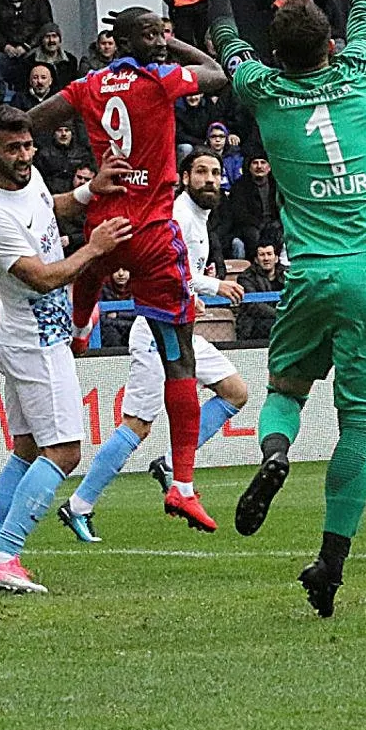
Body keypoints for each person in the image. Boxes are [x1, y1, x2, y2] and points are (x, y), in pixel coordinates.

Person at [0, 0, 230, 530]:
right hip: (151, 231)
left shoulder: (86, 88)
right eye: (150, 34)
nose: (158, 40)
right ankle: (182, 483)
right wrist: (170, 40)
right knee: (179, 361)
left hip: (102, 220)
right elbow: (219, 75)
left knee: (84, 280)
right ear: (133, 42)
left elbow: (23, 125)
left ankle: (80, 329)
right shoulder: (161, 80)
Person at [199, 0, 366, 620]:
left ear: (278, 54)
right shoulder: (365, 69)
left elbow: (226, 40)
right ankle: (330, 563)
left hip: (309, 271)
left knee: (284, 389)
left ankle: (275, 454)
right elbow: (364, 1)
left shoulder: (265, 91)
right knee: (357, 426)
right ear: (333, 46)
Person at [0, 106, 133, 594]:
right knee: (63, 451)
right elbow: (41, 277)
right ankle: (7, 555)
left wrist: (87, 192)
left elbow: (47, 209)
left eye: (28, 146)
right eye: (13, 149)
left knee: (26, 450)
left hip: (35, 336)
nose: (24, 155)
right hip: (35, 337)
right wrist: (95, 247)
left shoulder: (30, 178)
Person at [58, 152, 252, 543]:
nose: (210, 179)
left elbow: (180, 274)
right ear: (184, 178)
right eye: (201, 172)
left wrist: (191, 292)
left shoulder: (201, 218)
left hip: (181, 330)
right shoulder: (177, 213)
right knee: (137, 424)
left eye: (216, 172)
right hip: (153, 333)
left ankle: (170, 464)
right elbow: (168, 267)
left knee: (235, 392)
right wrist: (214, 287)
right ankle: (79, 504)